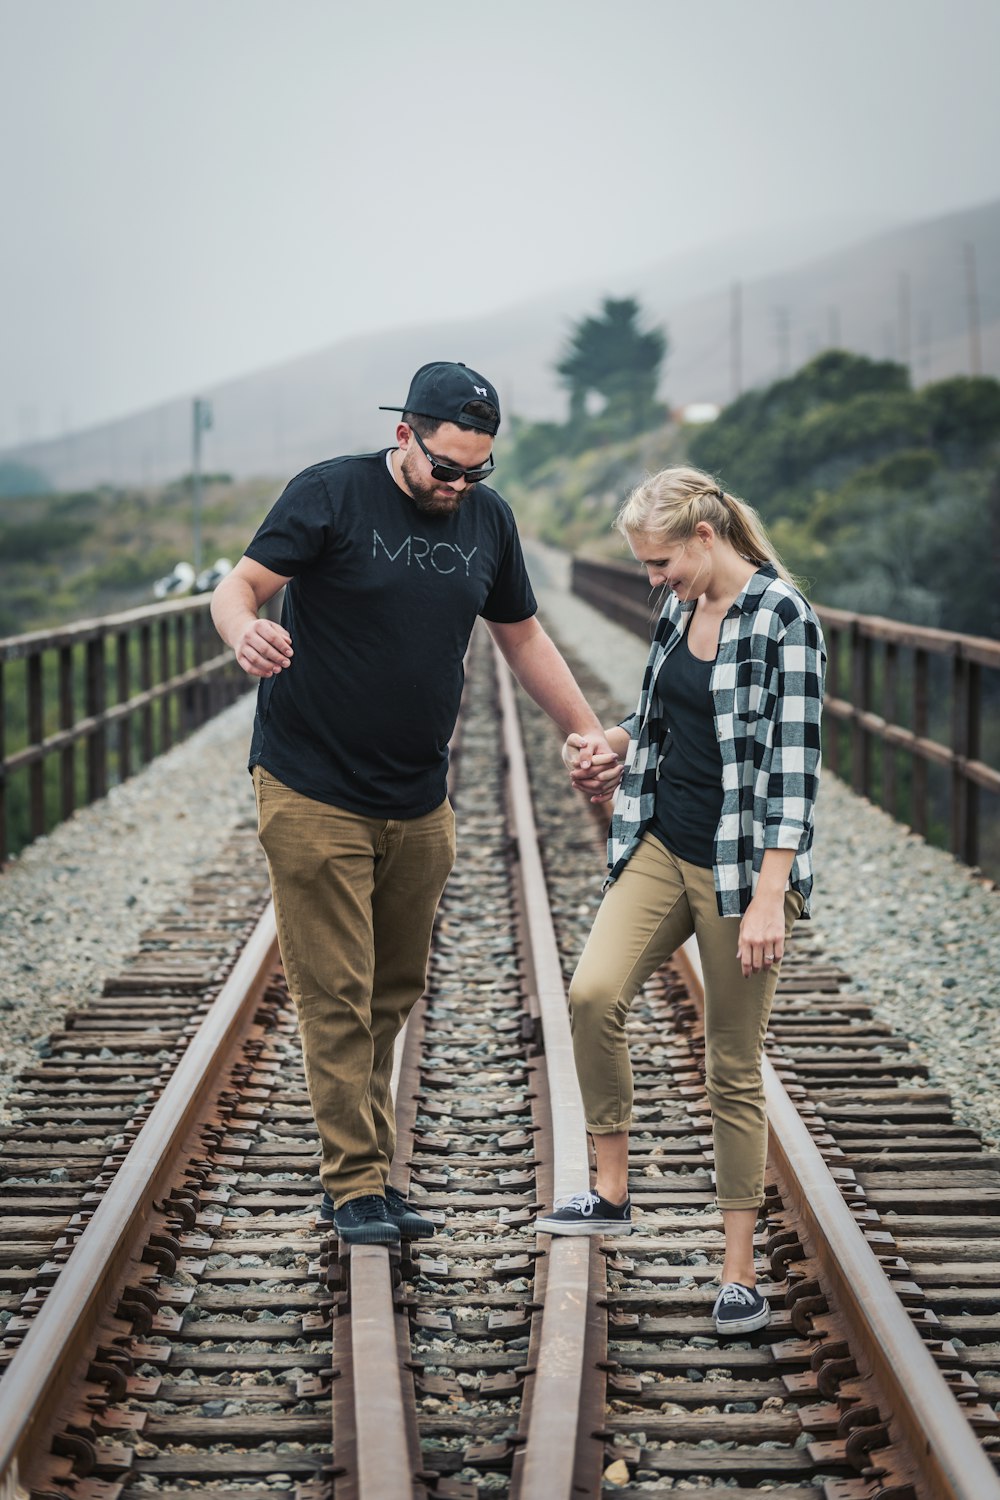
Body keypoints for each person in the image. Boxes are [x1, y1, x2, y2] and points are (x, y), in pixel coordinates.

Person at [211, 360, 616, 1246]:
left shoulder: (489, 522)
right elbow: (236, 586)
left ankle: (367, 1177)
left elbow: (522, 636)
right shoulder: (330, 495)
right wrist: (247, 632)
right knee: (335, 992)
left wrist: (589, 733)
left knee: (394, 990)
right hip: (311, 784)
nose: (460, 485)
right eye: (446, 467)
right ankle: (355, 1185)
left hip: (418, 797)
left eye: (478, 471)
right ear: (406, 437)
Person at [536, 465, 825, 1338]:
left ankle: (738, 1271)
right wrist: (609, 748)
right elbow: (661, 714)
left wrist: (772, 895)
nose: (653, 580)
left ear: (706, 536)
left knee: (732, 1065)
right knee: (592, 995)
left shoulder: (784, 619)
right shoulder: (677, 607)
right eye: (646, 567)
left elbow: (794, 774)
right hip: (662, 840)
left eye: (660, 562)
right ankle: (612, 1192)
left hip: (742, 868)